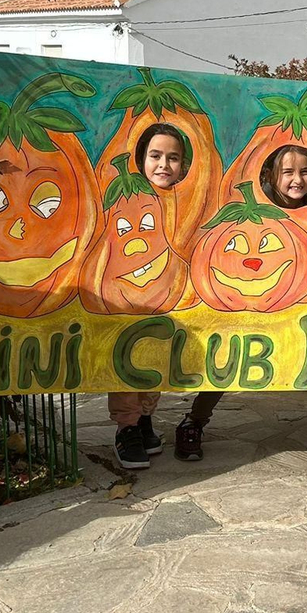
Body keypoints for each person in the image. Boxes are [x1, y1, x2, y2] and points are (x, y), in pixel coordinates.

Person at [175, 142, 307, 461]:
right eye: (288, 172)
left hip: (302, 292)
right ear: (270, 175)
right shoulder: (250, 206)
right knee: (229, 354)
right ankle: (194, 421)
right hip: (256, 294)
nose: (298, 180)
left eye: (305, 172)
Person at [110, 123, 189, 470]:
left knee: (154, 360)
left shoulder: (186, 198)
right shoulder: (128, 198)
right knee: (127, 364)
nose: (164, 165)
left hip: (165, 293)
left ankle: (144, 419)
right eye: (155, 156)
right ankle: (126, 428)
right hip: (128, 293)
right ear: (141, 159)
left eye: (173, 158)